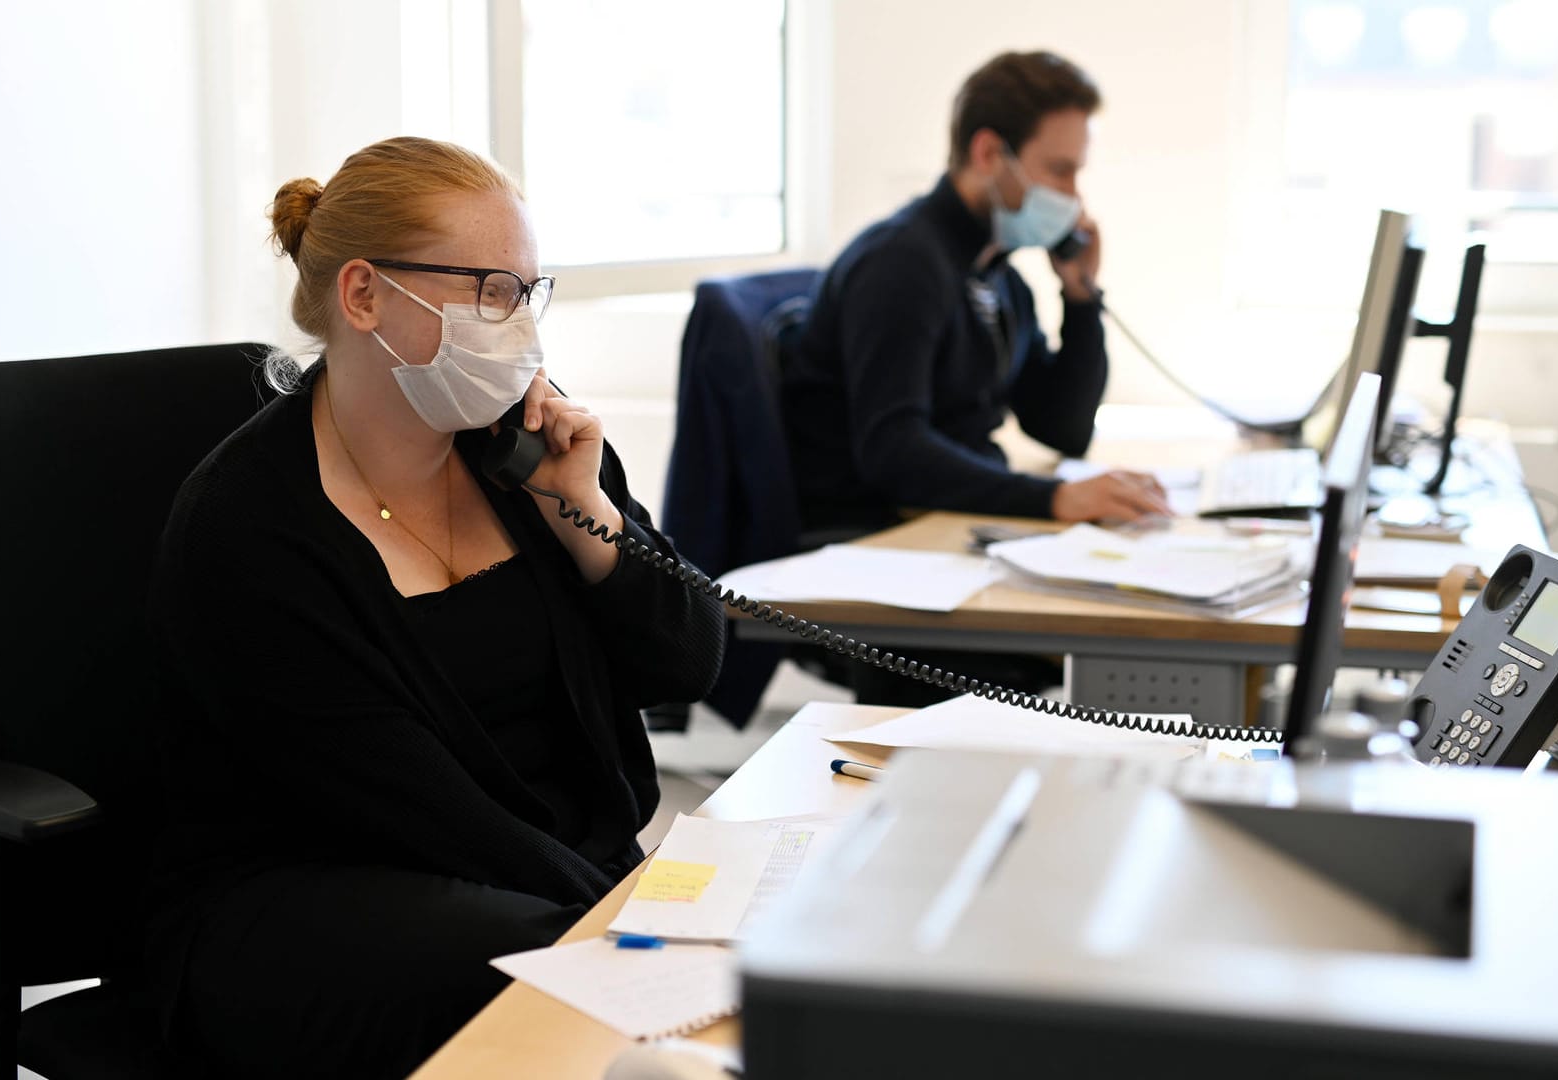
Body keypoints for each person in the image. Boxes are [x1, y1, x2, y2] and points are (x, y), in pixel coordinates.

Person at [141, 136, 726, 1078]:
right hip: (307, 906)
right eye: (489, 289)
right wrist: (624, 917)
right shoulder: (248, 527)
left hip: (536, 885)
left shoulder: (528, 448)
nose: (519, 325)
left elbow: (688, 663)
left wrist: (584, 514)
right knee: (624, 1017)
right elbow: (417, 807)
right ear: (364, 295)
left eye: (528, 291)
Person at [781, 50, 1171, 537]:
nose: (1074, 197)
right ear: (988, 154)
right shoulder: (901, 264)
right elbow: (893, 452)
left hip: (944, 519)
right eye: (1059, 170)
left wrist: (1079, 298)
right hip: (879, 537)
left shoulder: (994, 273)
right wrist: (1054, 498)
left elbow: (1063, 429)